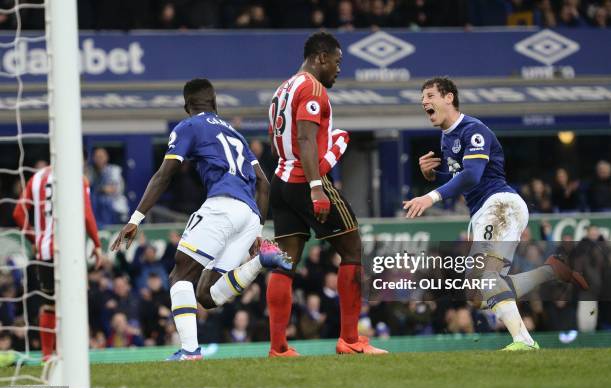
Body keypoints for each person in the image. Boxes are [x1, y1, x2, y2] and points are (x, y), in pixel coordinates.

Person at [111, 78, 292, 361]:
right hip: (249, 215)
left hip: (222, 206)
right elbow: (264, 183)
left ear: (187, 106)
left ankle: (190, 352)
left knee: (179, 275)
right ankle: (261, 261)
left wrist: (136, 218)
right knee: (207, 295)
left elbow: (164, 174)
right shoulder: (236, 134)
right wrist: (257, 230)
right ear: (215, 103)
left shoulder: (188, 127)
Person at [404, 77, 588, 350]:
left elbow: (473, 175)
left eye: (430, 95)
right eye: (422, 98)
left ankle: (524, 341)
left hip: (501, 205)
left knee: (488, 278)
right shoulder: (447, 137)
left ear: (449, 98)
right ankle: (551, 271)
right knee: (476, 293)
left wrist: (432, 195)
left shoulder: (472, 129)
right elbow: (463, 177)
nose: (424, 102)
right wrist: (433, 175)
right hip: (484, 211)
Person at [267, 31, 386, 356]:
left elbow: (292, 140)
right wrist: (317, 187)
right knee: (352, 248)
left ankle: (278, 347)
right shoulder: (313, 88)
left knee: (284, 265)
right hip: (307, 181)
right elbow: (305, 139)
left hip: (282, 180)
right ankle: (349, 340)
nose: (338, 69)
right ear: (321, 58)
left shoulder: (283, 88)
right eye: (337, 61)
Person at [12, 152, 103, 361]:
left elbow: (18, 212)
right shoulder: (77, 179)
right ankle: (69, 354)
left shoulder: (37, 178)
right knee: (74, 300)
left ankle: (47, 355)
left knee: (50, 302)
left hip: (44, 251)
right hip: (69, 251)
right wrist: (96, 244)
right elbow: (86, 214)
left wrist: (35, 238)